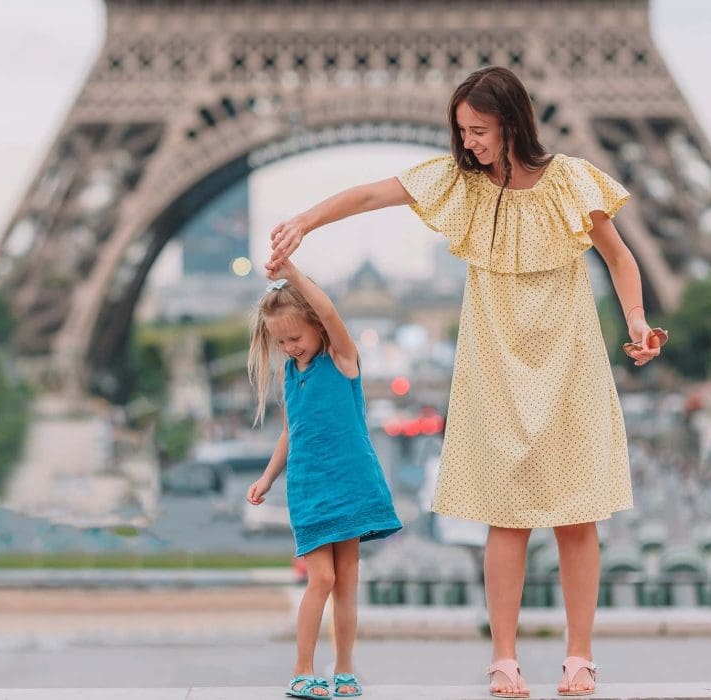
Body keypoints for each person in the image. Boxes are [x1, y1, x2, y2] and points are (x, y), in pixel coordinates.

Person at [266, 66, 667, 698]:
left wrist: (639, 323)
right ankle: (503, 659)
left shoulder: (570, 180)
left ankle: (579, 658)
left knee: (578, 516)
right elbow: (372, 195)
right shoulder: (460, 183)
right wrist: (305, 222)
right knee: (504, 516)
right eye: (462, 130)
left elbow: (618, 256)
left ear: (512, 123)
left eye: (478, 130)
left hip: (569, 355)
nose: (469, 141)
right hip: (495, 360)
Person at [246, 258, 402, 698]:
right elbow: (290, 435)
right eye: (280, 341)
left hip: (351, 483)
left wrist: (292, 274)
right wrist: (267, 478)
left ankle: (345, 670)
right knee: (324, 580)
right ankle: (302, 669)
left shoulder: (342, 359)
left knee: (347, 584)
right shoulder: (290, 376)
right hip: (310, 489)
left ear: (317, 326)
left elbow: (332, 313)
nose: (289, 347)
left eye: (295, 337)